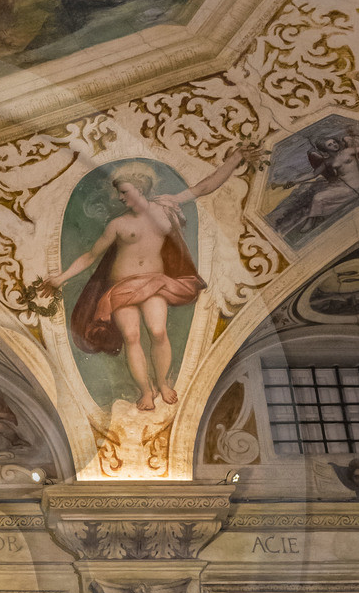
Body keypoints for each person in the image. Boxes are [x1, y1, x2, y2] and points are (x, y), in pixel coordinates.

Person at [37, 151, 253, 410]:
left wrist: (234, 158)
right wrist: (61, 278)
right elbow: (92, 255)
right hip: (121, 288)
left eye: (124, 192)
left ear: (139, 188)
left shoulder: (166, 207)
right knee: (131, 336)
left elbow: (204, 187)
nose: (120, 197)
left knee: (159, 331)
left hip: (155, 283)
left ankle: (162, 383)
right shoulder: (117, 224)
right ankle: (145, 391)